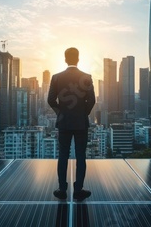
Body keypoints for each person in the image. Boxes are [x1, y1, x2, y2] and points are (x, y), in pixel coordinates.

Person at [47, 47, 95, 201]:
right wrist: (83, 114)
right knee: (81, 156)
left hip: (64, 123)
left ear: (65, 59)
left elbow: (50, 100)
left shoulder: (56, 77)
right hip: (81, 123)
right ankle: (78, 190)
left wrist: (61, 113)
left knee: (63, 155)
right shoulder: (86, 77)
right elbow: (92, 100)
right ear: (78, 59)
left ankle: (62, 189)